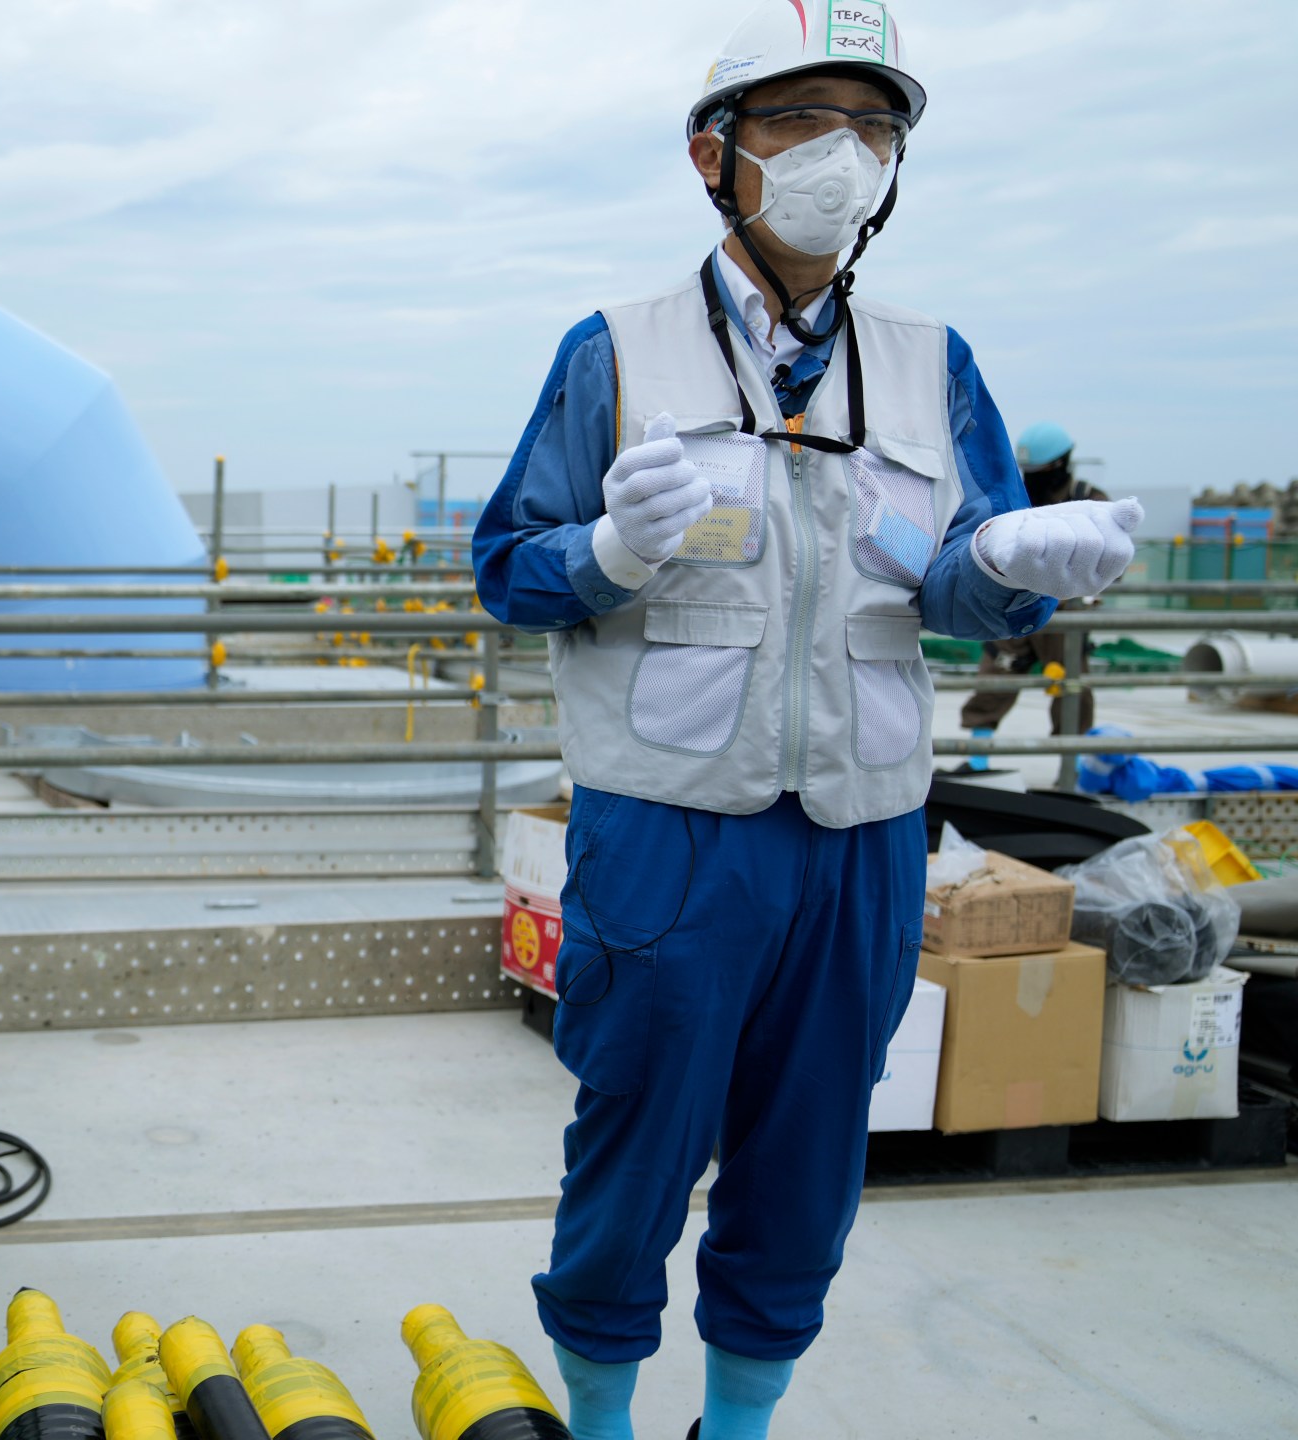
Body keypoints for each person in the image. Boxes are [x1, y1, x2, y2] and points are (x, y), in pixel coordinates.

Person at [471, 5, 1142, 1438]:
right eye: (799, 120)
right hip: (670, 834)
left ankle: (744, 1421)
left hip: (864, 838)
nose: (841, 153)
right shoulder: (616, 351)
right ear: (715, 156)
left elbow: (956, 580)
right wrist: (606, 554)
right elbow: (505, 572)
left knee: (809, 1160)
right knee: (634, 1152)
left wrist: (1021, 574)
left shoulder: (930, 361)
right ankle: (598, 1417)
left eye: (873, 126)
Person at [958, 423, 1112, 745]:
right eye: (1030, 471)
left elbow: (1112, 556)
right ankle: (978, 754)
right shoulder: (1016, 497)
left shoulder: (1088, 501)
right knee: (997, 676)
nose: (1035, 479)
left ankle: (1072, 766)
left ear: (1061, 464)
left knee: (1071, 686)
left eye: (1041, 471)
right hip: (1014, 603)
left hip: (1064, 611)